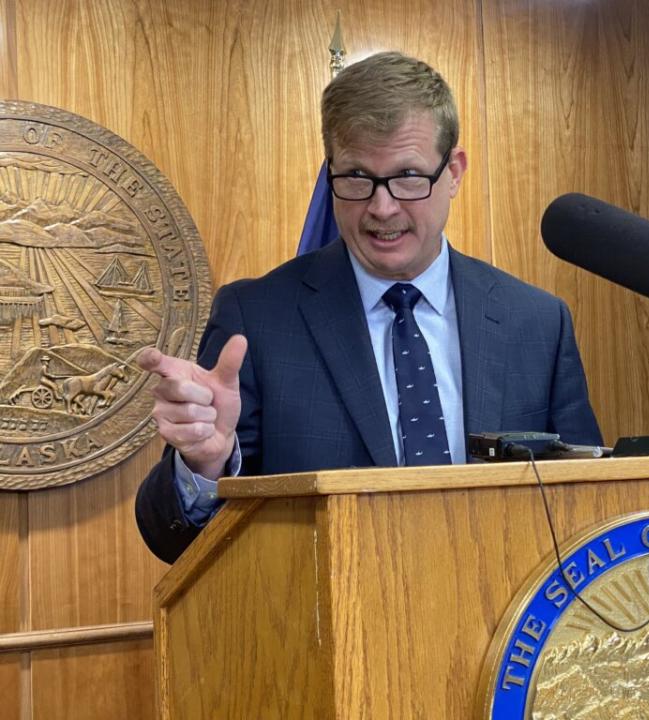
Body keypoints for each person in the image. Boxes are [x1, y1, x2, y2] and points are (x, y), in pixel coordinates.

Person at [135, 52, 602, 563]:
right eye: (357, 177)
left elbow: (588, 507)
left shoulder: (536, 322)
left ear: (454, 172)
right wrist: (204, 465)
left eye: (407, 177)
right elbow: (172, 541)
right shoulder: (258, 319)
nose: (382, 208)